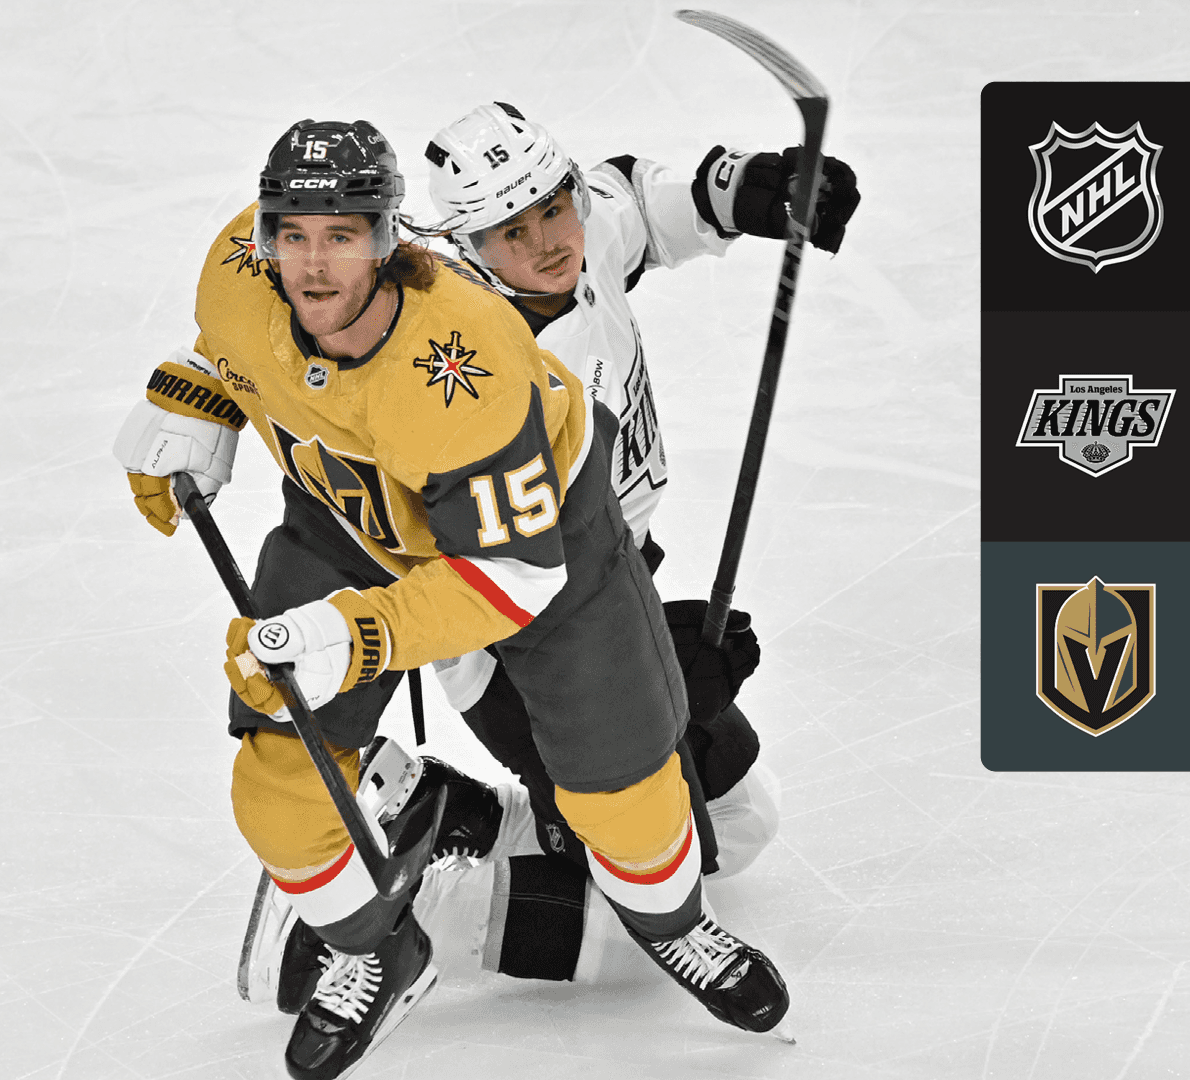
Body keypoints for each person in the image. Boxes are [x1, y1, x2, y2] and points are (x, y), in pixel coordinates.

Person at [113, 117, 789, 1080]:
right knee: (275, 782)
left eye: (342, 236)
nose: (314, 265)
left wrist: (742, 187)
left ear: (391, 240)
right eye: (294, 236)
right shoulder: (239, 269)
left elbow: (513, 576)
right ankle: (377, 935)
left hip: (539, 565)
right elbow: (239, 342)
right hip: (354, 527)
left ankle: (510, 844)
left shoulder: (470, 366)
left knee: (678, 807)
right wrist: (199, 392)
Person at [243, 103, 858, 1015]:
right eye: (510, 233)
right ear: (460, 246)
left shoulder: (583, 227)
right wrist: (659, 678)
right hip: (514, 632)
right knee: (647, 858)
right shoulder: (478, 361)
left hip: (606, 576)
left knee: (741, 818)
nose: (545, 243)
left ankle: (446, 812)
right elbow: (503, 572)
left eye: (552, 210)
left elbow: (640, 203)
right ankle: (404, 900)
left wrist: (752, 189)